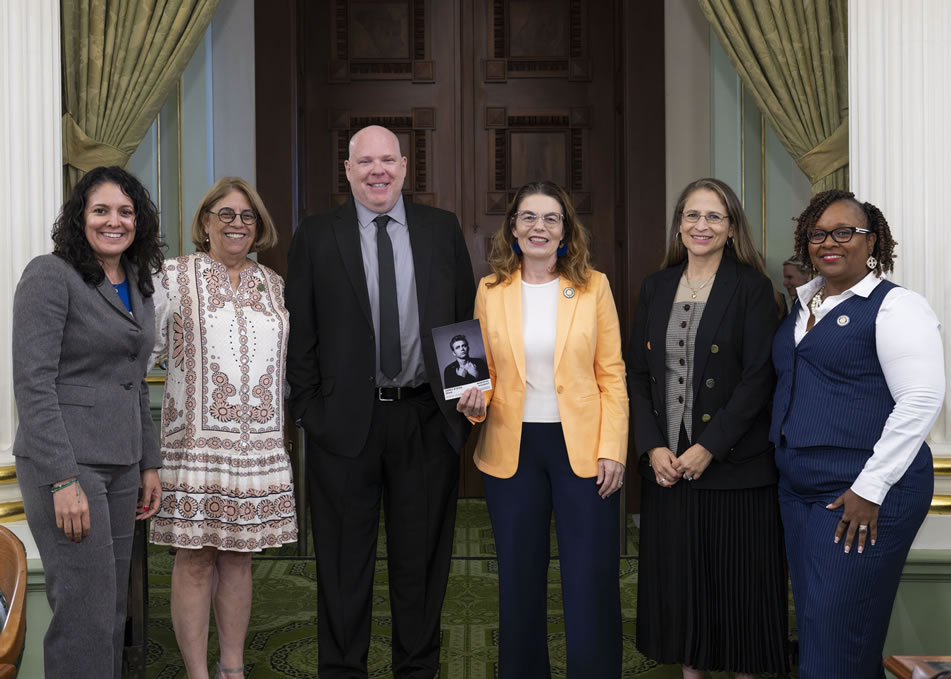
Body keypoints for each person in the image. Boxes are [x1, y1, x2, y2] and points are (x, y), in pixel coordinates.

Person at [285, 125, 475, 679]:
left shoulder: (442, 230)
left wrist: (463, 409)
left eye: (387, 160)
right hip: (343, 425)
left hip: (424, 419)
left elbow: (462, 321)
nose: (377, 171)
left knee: (421, 562)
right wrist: (309, 413)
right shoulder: (317, 236)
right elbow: (302, 335)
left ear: (404, 167)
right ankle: (343, 670)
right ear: (347, 170)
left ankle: (417, 669)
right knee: (343, 565)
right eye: (365, 161)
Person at [455, 180, 627, 678]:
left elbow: (611, 374)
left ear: (566, 231)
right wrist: (473, 400)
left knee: (590, 577)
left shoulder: (594, 286)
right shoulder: (491, 290)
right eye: (529, 217)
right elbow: (480, 373)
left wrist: (613, 449)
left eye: (551, 218)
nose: (539, 227)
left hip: (584, 450)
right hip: (512, 450)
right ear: (512, 228)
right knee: (519, 578)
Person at [771, 190, 945, 679]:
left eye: (845, 232)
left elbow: (920, 400)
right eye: (818, 234)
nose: (830, 242)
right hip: (800, 491)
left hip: (863, 493)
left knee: (834, 646)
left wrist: (869, 489)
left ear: (872, 242)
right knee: (826, 634)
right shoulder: (804, 305)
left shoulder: (897, 307)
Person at [628, 178, 788, 678]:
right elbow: (635, 373)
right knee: (684, 594)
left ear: (732, 228)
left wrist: (709, 447)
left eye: (714, 217)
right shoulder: (656, 286)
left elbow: (758, 378)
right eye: (693, 216)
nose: (702, 226)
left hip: (735, 469)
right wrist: (653, 446)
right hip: (669, 469)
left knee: (738, 599)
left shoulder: (752, 288)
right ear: (679, 224)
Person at [12, 166, 164, 678]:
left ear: (138, 221)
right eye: (101, 210)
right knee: (84, 613)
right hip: (66, 466)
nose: (114, 221)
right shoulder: (50, 275)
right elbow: (33, 384)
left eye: (125, 211)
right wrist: (62, 478)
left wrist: (148, 462)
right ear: (80, 217)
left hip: (122, 465)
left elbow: (134, 379)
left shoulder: (136, 282)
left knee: (110, 612)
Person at [149, 177, 298, 679]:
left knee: (239, 560)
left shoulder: (272, 284)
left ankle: (232, 669)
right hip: (193, 448)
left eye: (247, 216)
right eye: (226, 215)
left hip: (257, 450)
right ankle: (197, 673)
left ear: (259, 226)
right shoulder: (171, 277)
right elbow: (138, 350)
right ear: (205, 222)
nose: (237, 224)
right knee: (194, 561)